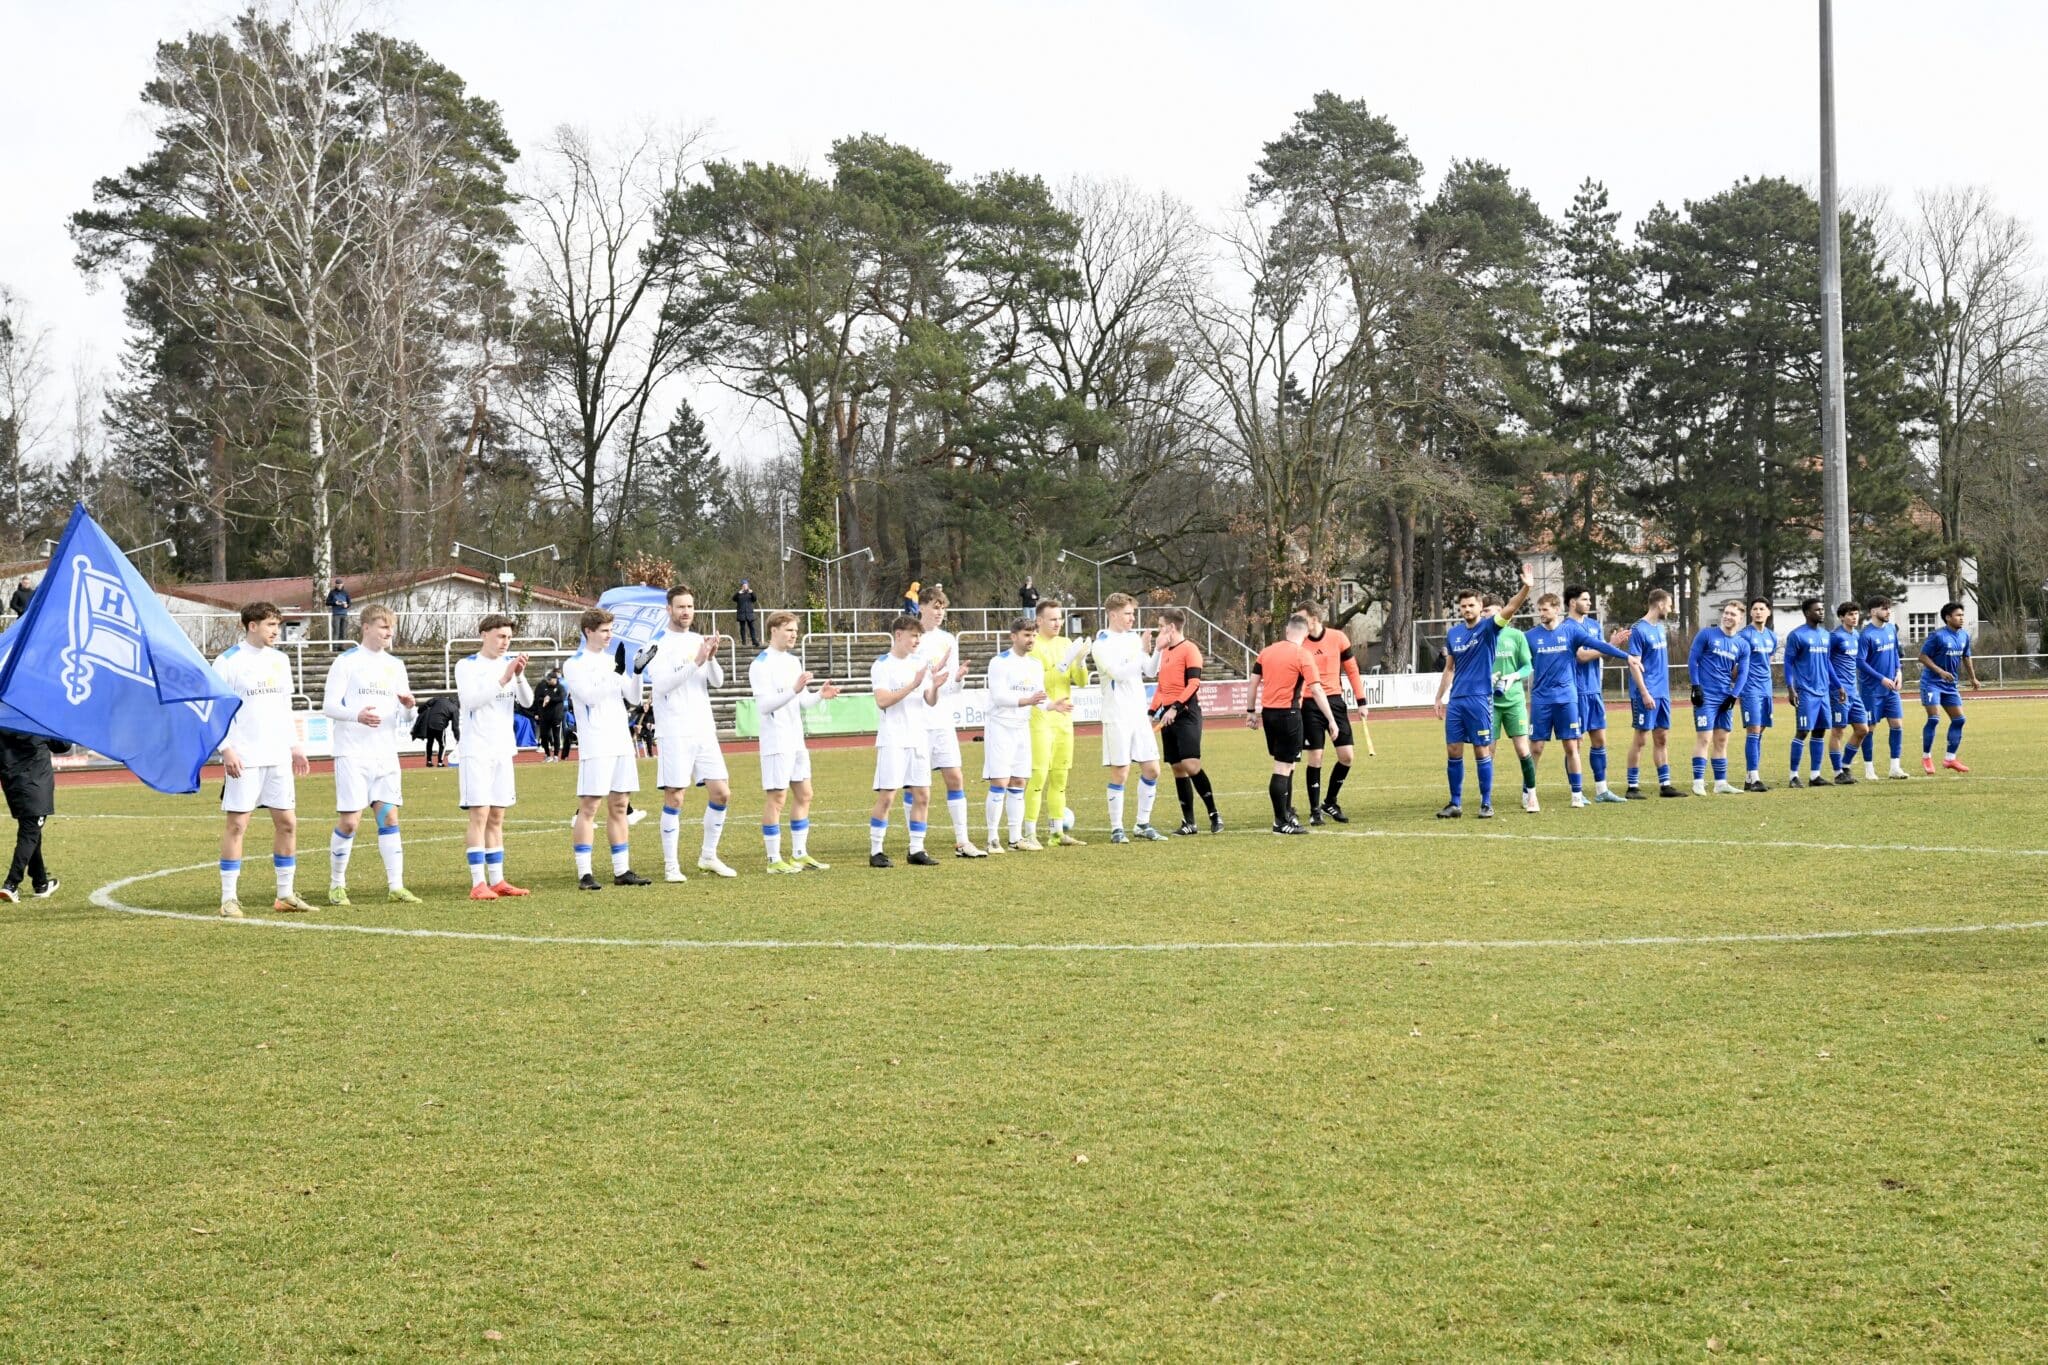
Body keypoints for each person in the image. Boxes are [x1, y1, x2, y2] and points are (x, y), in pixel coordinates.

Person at [214, 601, 314, 917]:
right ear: (252, 625)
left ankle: (285, 894)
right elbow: (215, 712)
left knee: (287, 822)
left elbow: (285, 707)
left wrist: (295, 745)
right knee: (238, 825)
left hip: (277, 756)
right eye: (271, 625)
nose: (276, 631)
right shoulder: (227, 662)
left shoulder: (280, 661)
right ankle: (228, 898)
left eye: (278, 625)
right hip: (244, 756)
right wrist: (226, 748)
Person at [320, 604, 420, 906]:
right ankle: (337, 885)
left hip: (385, 754)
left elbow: (407, 718)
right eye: (382, 626)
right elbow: (329, 706)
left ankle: (396, 886)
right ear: (365, 627)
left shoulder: (395, 665)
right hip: (352, 753)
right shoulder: (346, 662)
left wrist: (409, 706)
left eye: (391, 627)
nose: (388, 632)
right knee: (350, 821)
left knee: (389, 816)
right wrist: (357, 716)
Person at [646, 584, 736, 882]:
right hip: (674, 730)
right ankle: (671, 865)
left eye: (690, 607)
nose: (686, 612)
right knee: (675, 797)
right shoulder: (657, 644)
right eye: (681, 607)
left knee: (722, 793)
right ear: (668, 609)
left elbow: (718, 682)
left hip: (703, 728)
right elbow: (661, 685)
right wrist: (696, 660)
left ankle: (708, 856)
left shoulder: (699, 639)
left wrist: (709, 658)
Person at [1432, 565, 1535, 819]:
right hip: (1457, 700)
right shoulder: (1454, 634)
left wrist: (1527, 587)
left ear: (1480, 607)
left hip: (1480, 699)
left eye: (1471, 606)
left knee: (1482, 749)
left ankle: (1486, 803)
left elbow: (1510, 607)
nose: (1467, 610)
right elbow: (1449, 668)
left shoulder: (1490, 628)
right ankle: (1455, 803)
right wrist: (1439, 697)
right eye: (1463, 606)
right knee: (1454, 750)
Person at [562, 607, 652, 890]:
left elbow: (634, 697)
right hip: (596, 743)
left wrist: (636, 671)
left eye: (611, 631)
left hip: (620, 743)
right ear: (589, 631)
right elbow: (589, 697)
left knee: (620, 805)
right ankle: (584, 873)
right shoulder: (574, 664)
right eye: (604, 631)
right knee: (589, 807)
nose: (609, 636)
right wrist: (615, 673)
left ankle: (622, 869)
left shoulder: (612, 661)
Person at [1523, 593, 1640, 809]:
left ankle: (1580, 795)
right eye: (1539, 610)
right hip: (1541, 699)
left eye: (1545, 609)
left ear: (1556, 609)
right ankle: (1528, 791)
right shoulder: (1530, 636)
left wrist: (1627, 657)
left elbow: (1600, 646)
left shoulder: (1572, 631)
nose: (1541, 614)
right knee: (1537, 747)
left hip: (1568, 697)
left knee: (1572, 745)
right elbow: (1520, 661)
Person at [750, 611, 838, 873]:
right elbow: (764, 706)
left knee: (805, 794)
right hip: (776, 741)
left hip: (796, 739)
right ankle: (773, 859)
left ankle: (799, 854)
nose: (793, 635)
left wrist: (820, 695)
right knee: (777, 798)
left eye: (796, 631)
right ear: (774, 630)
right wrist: (793, 690)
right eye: (789, 630)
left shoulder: (793, 661)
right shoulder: (761, 664)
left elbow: (802, 701)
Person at [454, 614, 534, 899]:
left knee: (497, 815)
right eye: (500, 636)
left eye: (509, 638)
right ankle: (478, 883)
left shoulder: (508, 666)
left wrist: (519, 675)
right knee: (480, 814)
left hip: (503, 748)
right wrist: (503, 678)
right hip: (476, 749)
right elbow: (471, 701)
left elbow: (527, 702)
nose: (505, 642)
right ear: (484, 635)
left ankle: (497, 880)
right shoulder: (467, 666)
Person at [912, 587, 985, 857]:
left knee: (955, 777)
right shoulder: (911, 637)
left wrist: (957, 678)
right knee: (915, 784)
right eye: (934, 606)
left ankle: (962, 840)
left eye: (943, 607)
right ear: (921, 607)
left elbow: (952, 688)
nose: (939, 612)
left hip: (942, 720)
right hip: (918, 721)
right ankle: (915, 843)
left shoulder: (949, 640)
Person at [1248, 614, 1337, 834]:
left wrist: (1251, 712)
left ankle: (1286, 815)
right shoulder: (1303, 655)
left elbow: (1253, 683)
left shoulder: (1266, 652)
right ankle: (1280, 822)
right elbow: (1316, 690)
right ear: (1306, 633)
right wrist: (1332, 719)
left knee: (1285, 765)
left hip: (1268, 714)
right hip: (1289, 714)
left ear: (1287, 630)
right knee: (1283, 767)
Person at [868, 614, 944, 867]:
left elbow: (929, 701)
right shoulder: (882, 665)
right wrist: (913, 685)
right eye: (913, 635)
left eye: (919, 636)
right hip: (893, 739)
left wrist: (935, 687)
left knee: (922, 795)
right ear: (898, 635)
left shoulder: (919, 663)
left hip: (918, 737)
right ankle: (876, 851)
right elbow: (883, 701)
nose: (917, 640)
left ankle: (916, 849)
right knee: (888, 797)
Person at [1091, 592, 1165, 843]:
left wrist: (1158, 650)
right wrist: (1140, 653)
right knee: (1120, 772)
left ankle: (1142, 823)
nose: (1132, 618)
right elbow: (1118, 673)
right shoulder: (1101, 642)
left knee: (1153, 770)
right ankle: (1116, 828)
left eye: (1133, 613)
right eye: (1127, 614)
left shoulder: (1134, 639)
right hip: (1117, 715)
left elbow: (1151, 670)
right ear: (1113, 615)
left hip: (1137, 714)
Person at [1023, 597, 1093, 849]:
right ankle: (1028, 832)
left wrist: (1080, 660)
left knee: (1060, 778)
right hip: (1040, 718)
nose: (1058, 623)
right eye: (1052, 618)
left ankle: (1055, 833)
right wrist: (1064, 662)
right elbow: (1037, 681)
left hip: (1064, 720)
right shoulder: (1034, 645)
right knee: (1038, 776)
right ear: (1039, 620)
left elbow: (1081, 682)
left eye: (1060, 618)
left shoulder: (1066, 643)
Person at [982, 617, 1055, 852]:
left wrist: (1054, 705)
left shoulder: (1034, 665)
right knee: (1000, 781)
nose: (1031, 639)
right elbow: (999, 697)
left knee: (1019, 781)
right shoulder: (999, 662)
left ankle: (1015, 839)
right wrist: (1027, 700)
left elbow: (1040, 698)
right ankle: (992, 838)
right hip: (1000, 726)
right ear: (1013, 636)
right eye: (1026, 635)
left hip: (1021, 727)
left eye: (1033, 635)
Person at [1296, 602, 1368, 824]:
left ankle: (1330, 802)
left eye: (1302, 618)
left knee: (1347, 756)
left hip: (1335, 702)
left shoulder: (1338, 638)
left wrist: (1361, 700)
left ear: (1315, 619)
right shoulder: (1298, 643)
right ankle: (1315, 810)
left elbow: (1352, 669)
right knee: (1315, 757)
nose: (1298, 623)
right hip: (1309, 704)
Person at [1150, 608, 1219, 835]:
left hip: (1186, 713)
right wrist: (1152, 711)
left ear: (1171, 627)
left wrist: (1175, 708)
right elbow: (1162, 687)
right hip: (1168, 715)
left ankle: (1214, 814)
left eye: (1161, 626)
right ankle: (1189, 822)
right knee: (1177, 768)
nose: (1159, 631)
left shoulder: (1189, 649)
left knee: (1191, 764)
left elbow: (1193, 684)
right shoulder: (1165, 653)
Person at [1622, 588, 1686, 799]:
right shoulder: (1638, 629)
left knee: (1661, 737)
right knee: (1640, 739)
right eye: (1669, 604)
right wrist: (1644, 693)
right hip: (1646, 693)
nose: (1670, 608)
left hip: (1662, 693)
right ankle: (1632, 787)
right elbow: (1634, 664)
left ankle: (1665, 785)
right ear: (1659, 604)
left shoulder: (1659, 628)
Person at [1565, 585, 1625, 803]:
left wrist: (1612, 647)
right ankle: (1577, 791)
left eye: (1590, 599)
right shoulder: (1566, 627)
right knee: (1575, 744)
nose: (1589, 603)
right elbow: (1580, 656)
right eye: (1585, 599)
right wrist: (1608, 646)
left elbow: (1605, 657)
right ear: (1572, 602)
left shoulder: (1592, 625)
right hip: (1576, 692)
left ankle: (1602, 790)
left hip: (1594, 691)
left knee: (1599, 740)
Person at [1686, 600, 1751, 796]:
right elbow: (1693, 660)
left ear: (1740, 619)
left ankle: (1720, 783)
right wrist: (1696, 686)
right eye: (1726, 613)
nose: (1728, 616)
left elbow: (1743, 674)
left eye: (1733, 614)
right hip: (1706, 696)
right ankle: (1698, 782)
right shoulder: (1707, 634)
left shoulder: (1742, 645)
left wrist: (1733, 696)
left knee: (1721, 740)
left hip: (1725, 697)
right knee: (1704, 738)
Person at [0, 727, 69, 902]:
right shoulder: (34, 722)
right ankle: (11, 884)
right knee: (29, 835)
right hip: (35, 786)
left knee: (31, 832)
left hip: (13, 785)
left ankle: (41, 883)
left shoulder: (4, 723)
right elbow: (62, 745)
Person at [1917, 600, 1979, 774]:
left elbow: (1966, 657)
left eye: (1962, 615)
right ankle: (1927, 757)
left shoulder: (1964, 636)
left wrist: (1973, 678)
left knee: (1959, 720)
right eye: (1958, 615)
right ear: (1948, 618)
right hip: (1931, 683)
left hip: (1950, 685)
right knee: (1934, 719)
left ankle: (1950, 759)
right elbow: (1922, 657)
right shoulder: (1937, 636)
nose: (1961, 618)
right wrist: (1940, 671)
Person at [1489, 599, 1538, 812]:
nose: (1484, 615)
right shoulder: (1482, 637)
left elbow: (1528, 666)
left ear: (1502, 613)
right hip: (1488, 702)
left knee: (1522, 749)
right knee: (1487, 752)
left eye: (1488, 611)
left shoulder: (1516, 636)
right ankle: (1486, 799)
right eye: (1482, 612)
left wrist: (1514, 676)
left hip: (1514, 701)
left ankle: (1531, 796)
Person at [1781, 597, 1834, 789]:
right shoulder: (1797, 636)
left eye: (1822, 609)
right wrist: (1790, 687)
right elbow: (1788, 663)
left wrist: (1837, 685)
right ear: (1807, 613)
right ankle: (1793, 776)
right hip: (1805, 691)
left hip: (1823, 692)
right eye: (1817, 610)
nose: (1821, 612)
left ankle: (1815, 776)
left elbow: (1827, 662)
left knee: (1820, 731)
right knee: (1803, 731)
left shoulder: (1826, 635)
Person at [1857, 596, 1909, 780]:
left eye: (1889, 608)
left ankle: (1895, 767)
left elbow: (1895, 652)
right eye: (1884, 608)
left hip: (1891, 689)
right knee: (1869, 728)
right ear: (1873, 611)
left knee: (1897, 724)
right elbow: (1860, 662)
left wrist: (1898, 671)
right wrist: (1880, 678)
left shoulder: (1890, 630)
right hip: (1872, 691)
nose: (1888, 612)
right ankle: (1869, 769)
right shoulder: (1866, 635)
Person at [1825, 601, 1872, 785]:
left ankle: (1845, 766)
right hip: (1839, 691)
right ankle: (1838, 773)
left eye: (1856, 614)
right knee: (1838, 730)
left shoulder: (1856, 636)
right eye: (1850, 614)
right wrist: (1837, 685)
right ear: (1842, 617)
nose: (1854, 617)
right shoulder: (1835, 636)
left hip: (1854, 691)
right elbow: (1826, 661)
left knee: (1862, 729)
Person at [1737, 598, 1778, 792]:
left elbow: (1767, 661)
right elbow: (1735, 665)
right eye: (1755, 609)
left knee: (1760, 731)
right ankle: (1754, 777)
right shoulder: (1744, 635)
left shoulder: (1771, 636)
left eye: (1762, 608)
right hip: (1750, 689)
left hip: (1766, 689)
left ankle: (1749, 777)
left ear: (1768, 612)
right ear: (1750, 613)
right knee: (1753, 730)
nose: (1758, 612)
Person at [411, 693, 460, 767]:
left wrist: (420, 710)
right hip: (440, 726)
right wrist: (458, 739)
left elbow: (429, 702)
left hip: (429, 723)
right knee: (442, 744)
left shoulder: (440, 699)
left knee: (430, 742)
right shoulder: (455, 709)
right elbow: (455, 727)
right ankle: (440, 763)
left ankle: (429, 761)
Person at [533, 668, 567, 761]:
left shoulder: (560, 688)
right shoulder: (543, 686)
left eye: (550, 679)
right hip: (544, 716)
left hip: (556, 716)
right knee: (544, 736)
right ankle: (548, 755)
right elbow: (538, 698)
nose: (548, 681)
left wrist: (550, 699)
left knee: (556, 736)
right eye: (548, 679)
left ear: (555, 679)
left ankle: (556, 755)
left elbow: (561, 698)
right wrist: (544, 700)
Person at [730, 579, 759, 648]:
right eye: (743, 585)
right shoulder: (739, 594)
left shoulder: (750, 593)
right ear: (742, 586)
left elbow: (755, 599)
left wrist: (752, 592)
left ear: (748, 586)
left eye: (746, 585)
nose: (745, 586)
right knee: (742, 628)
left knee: (752, 628)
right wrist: (738, 593)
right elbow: (733, 599)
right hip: (741, 613)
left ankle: (754, 641)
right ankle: (744, 641)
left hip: (749, 613)